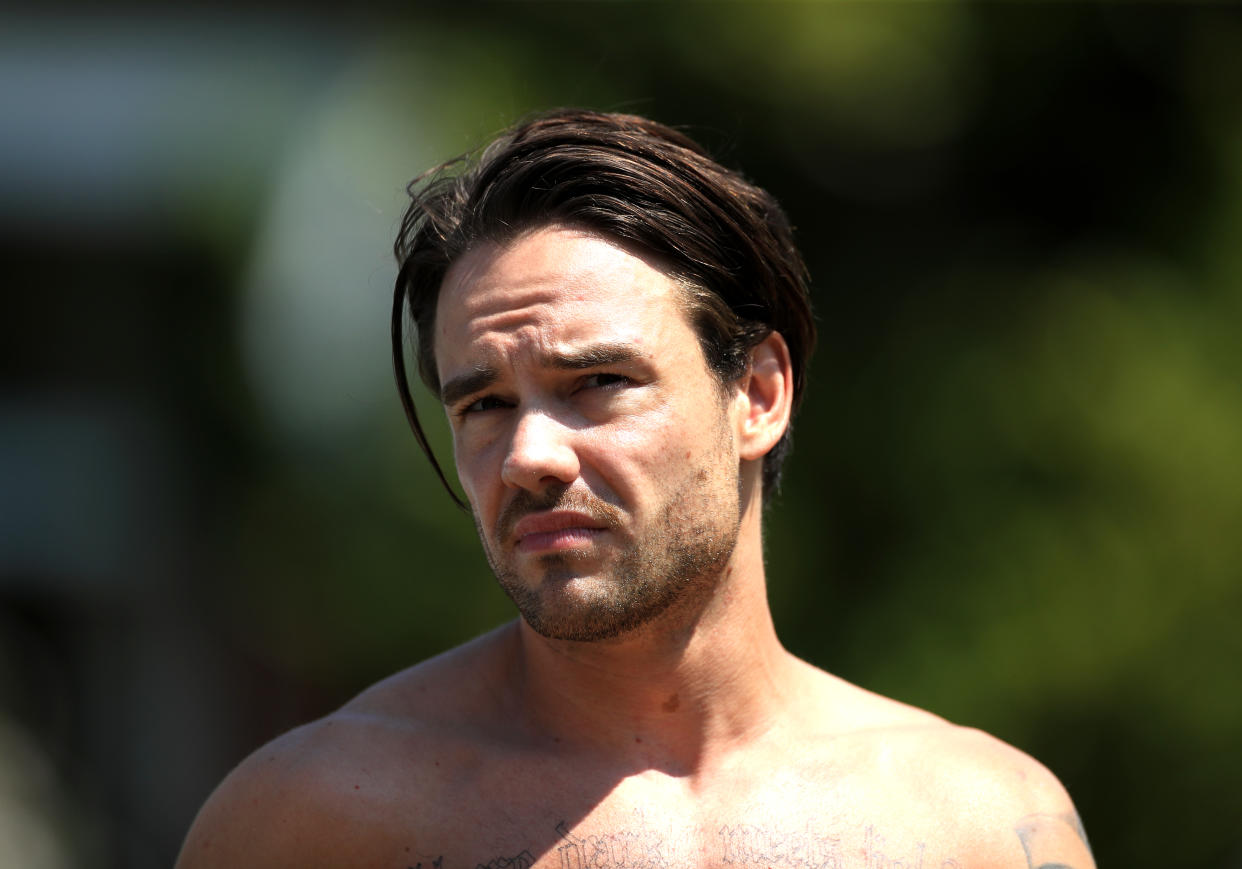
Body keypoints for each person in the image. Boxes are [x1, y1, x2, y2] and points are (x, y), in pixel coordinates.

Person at [177, 109, 1095, 869]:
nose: (530, 453)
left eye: (597, 384)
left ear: (759, 394)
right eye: (485, 403)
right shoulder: (319, 819)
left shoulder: (977, 825)